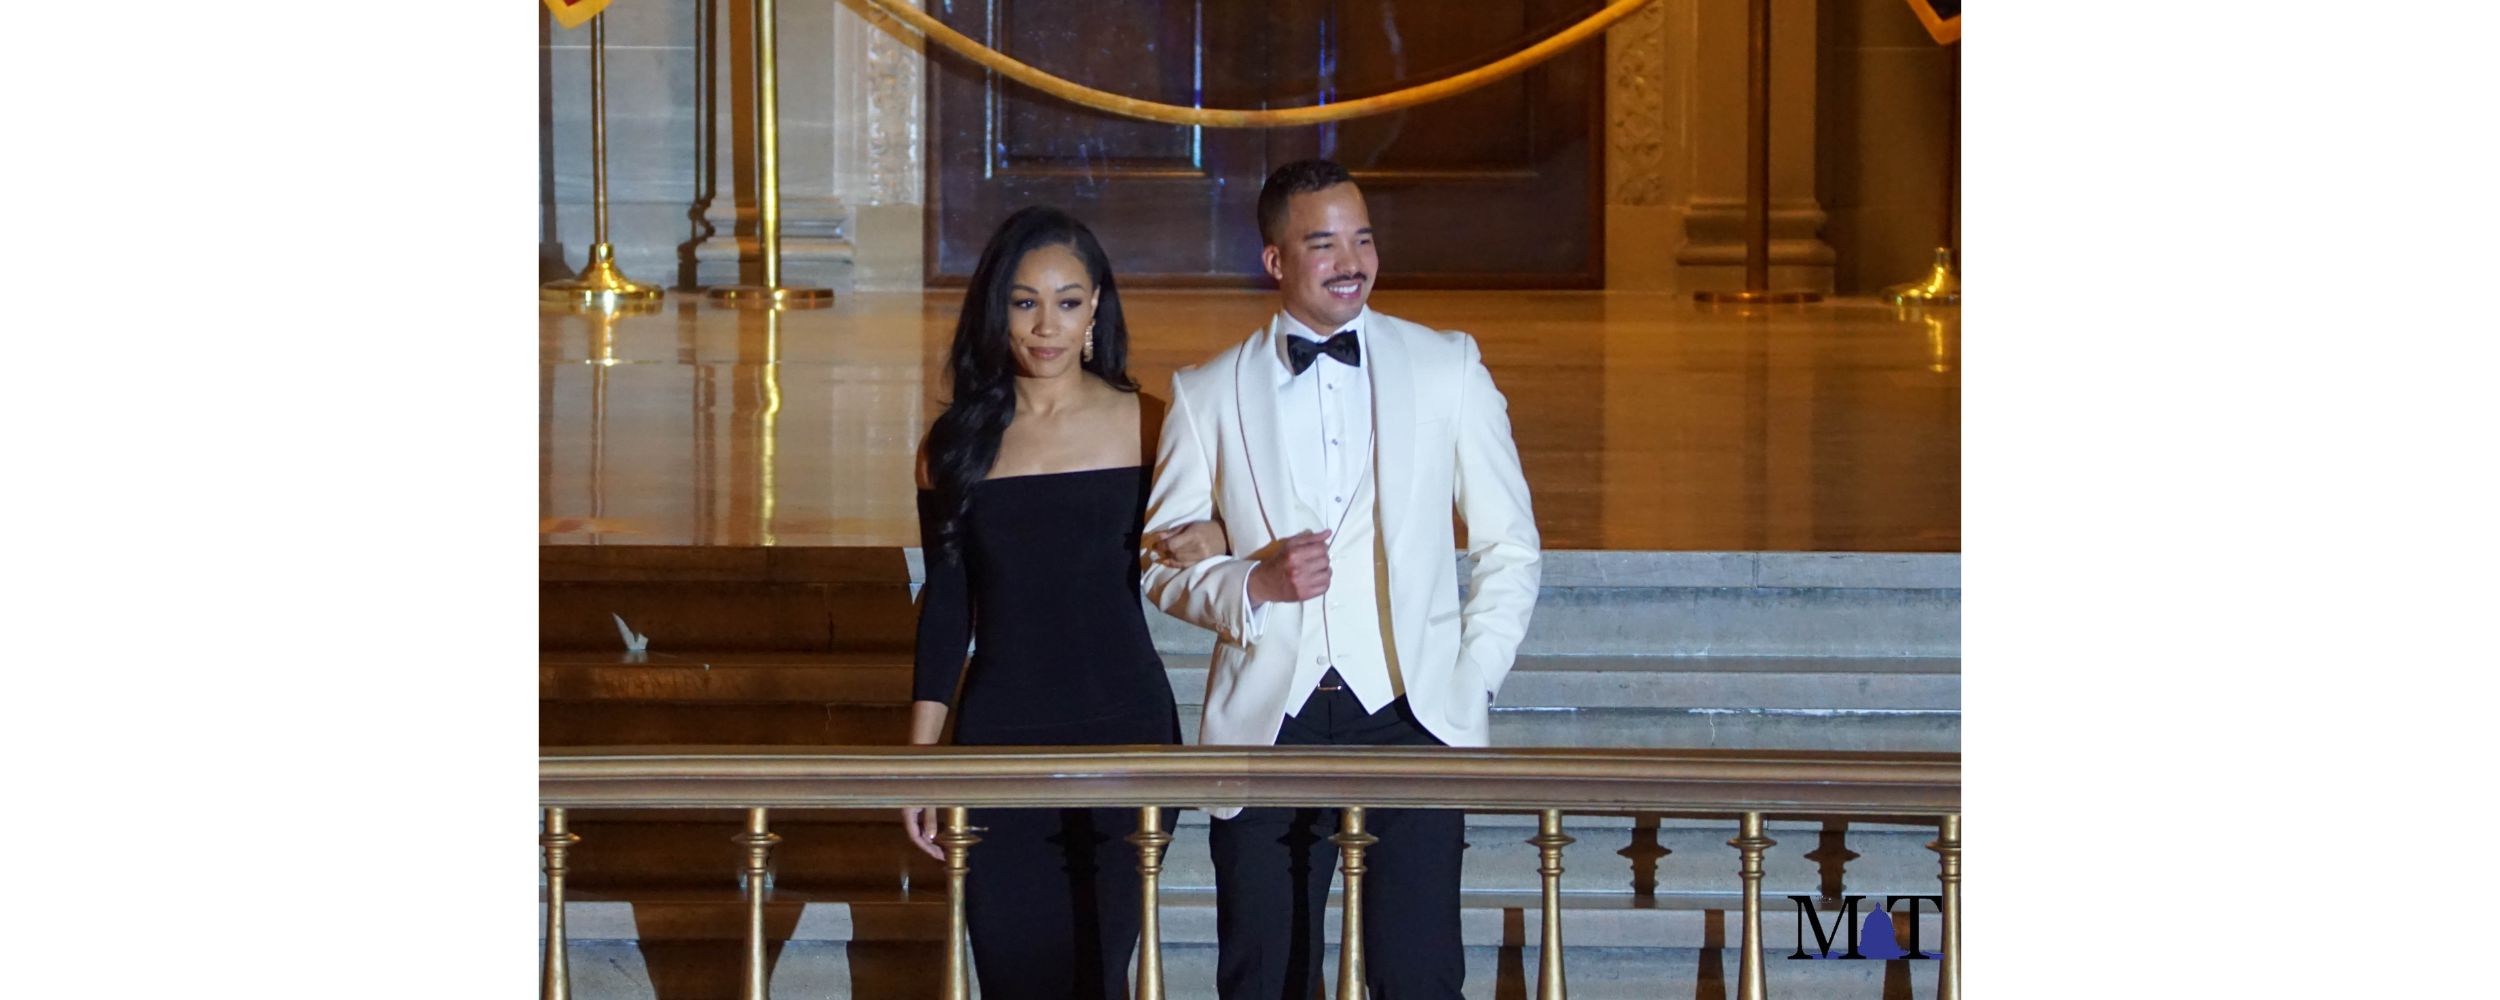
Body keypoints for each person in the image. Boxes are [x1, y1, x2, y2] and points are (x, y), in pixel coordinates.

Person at [1140, 159, 1543, 999]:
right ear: (1275, 260)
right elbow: (1161, 565)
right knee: (1266, 978)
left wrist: (1470, 680)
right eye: (1323, 243)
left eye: (1362, 239)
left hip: (1411, 718)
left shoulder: (1447, 366)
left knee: (1419, 977)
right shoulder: (1206, 393)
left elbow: (1509, 545)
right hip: (1268, 725)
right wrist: (1254, 586)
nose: (1350, 261)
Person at [901, 205, 1222, 1000]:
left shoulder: (1152, 426)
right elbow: (948, 606)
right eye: (1025, 302)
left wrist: (1216, 535)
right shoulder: (953, 446)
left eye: (1068, 302)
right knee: (1010, 974)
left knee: (1097, 973)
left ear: (1096, 308)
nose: (1047, 326)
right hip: (998, 741)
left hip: (1125, 732)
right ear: (996, 309)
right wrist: (917, 762)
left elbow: (1225, 541)